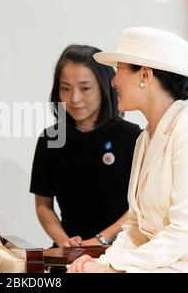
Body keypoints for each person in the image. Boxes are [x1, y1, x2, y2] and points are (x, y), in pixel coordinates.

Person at [68, 27, 188, 273]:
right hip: (164, 264)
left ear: (145, 76)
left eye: (119, 70)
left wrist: (112, 269)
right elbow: (135, 228)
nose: (113, 81)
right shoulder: (145, 138)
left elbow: (185, 231)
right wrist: (102, 262)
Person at [30, 44, 141, 248]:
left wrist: (100, 241)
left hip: (121, 248)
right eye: (65, 88)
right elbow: (43, 206)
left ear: (104, 86)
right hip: (69, 250)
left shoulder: (132, 136)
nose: (74, 99)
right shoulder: (50, 139)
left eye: (85, 88)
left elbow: (139, 204)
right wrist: (64, 242)